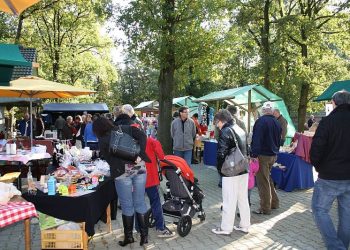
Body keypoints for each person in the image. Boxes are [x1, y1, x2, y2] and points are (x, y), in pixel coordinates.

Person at [93, 114, 151, 247]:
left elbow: (108, 159)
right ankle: (144, 237)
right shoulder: (124, 128)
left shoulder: (102, 140)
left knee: (127, 205)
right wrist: (140, 153)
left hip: (121, 173)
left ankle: (129, 237)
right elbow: (143, 135)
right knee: (140, 202)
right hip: (139, 168)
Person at [310, 90, 350, 250]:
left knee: (319, 210)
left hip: (330, 177)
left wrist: (320, 168)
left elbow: (316, 150)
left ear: (334, 103)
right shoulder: (328, 121)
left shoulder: (328, 121)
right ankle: (341, 246)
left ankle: (337, 247)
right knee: (346, 214)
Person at [212, 109, 250, 235]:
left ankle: (226, 228)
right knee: (242, 198)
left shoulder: (226, 131)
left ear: (221, 121)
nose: (217, 125)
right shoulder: (239, 128)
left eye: (217, 122)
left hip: (231, 170)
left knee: (229, 200)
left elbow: (221, 153)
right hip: (243, 168)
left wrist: (220, 169)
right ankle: (245, 225)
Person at [250, 101, 281, 215]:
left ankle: (265, 207)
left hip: (263, 155)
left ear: (263, 110)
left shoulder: (260, 122)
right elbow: (279, 140)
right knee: (267, 179)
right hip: (273, 154)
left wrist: (253, 155)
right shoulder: (277, 122)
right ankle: (274, 202)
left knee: (263, 182)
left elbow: (257, 140)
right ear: (272, 111)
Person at [141, 136, 174, 237]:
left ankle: (138, 228)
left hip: (135, 177)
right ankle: (160, 228)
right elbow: (161, 156)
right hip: (150, 176)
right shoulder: (151, 141)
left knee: (137, 203)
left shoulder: (128, 139)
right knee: (155, 202)